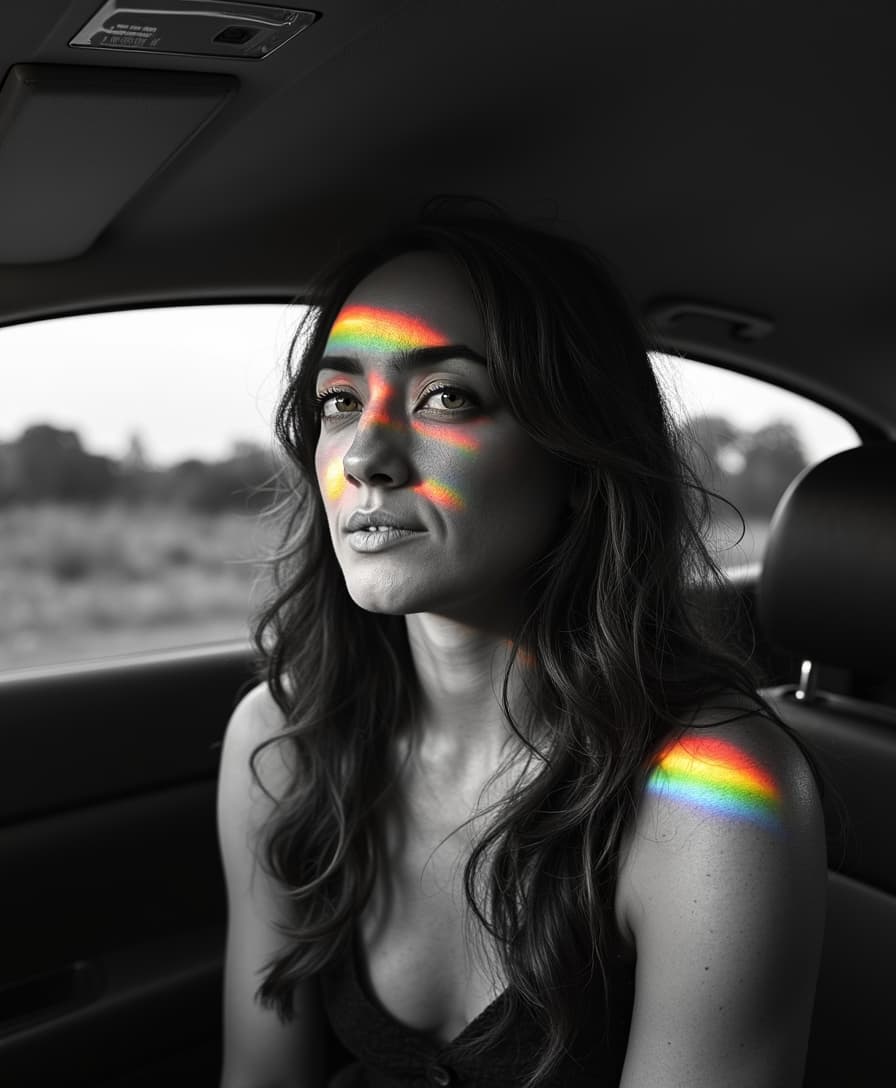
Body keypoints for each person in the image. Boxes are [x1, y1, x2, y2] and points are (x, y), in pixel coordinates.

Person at [217, 204, 827, 1088]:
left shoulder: (709, 796)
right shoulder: (282, 742)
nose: (365, 457)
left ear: (577, 457)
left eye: (447, 397)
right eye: (340, 402)